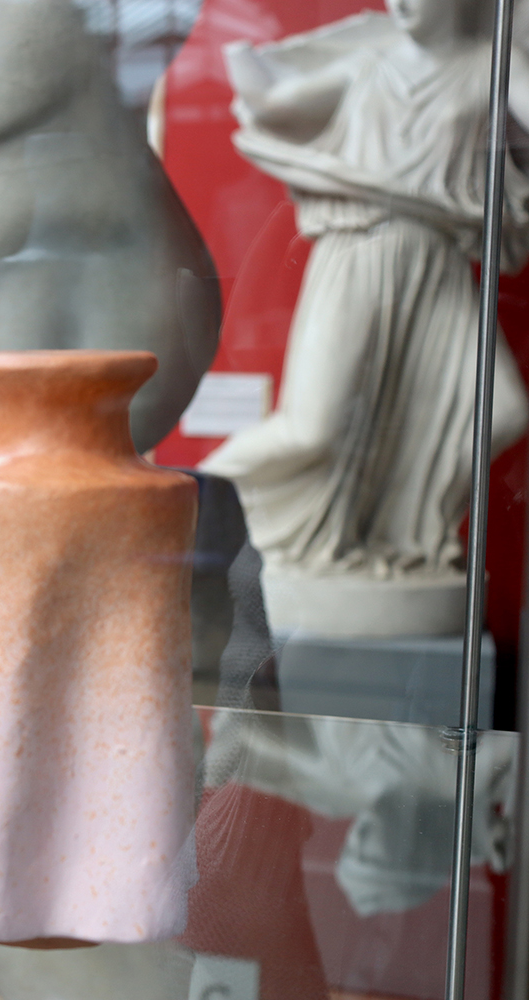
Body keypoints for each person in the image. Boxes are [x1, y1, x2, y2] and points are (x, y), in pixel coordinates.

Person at [202, 0, 529, 592]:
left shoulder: (489, 63)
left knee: (501, 411)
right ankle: (189, 493)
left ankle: (403, 537)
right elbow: (273, 103)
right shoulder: (369, 58)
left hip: (438, 264)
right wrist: (233, 43)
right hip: (357, 253)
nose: (402, 4)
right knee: (312, 429)